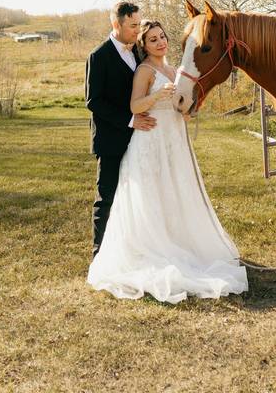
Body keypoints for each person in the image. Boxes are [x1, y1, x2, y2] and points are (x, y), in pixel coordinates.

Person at [86, 17, 248, 303]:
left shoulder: (175, 70)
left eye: (162, 37)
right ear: (144, 46)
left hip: (174, 140)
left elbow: (180, 106)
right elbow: (135, 105)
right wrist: (158, 95)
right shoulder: (144, 70)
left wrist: (188, 110)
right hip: (151, 139)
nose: (161, 42)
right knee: (153, 195)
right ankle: (155, 249)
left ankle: (179, 243)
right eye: (153, 39)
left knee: (176, 192)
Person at [85, 2, 156, 258]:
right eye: (133, 25)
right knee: (107, 197)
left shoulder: (137, 51)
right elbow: (94, 101)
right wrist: (129, 120)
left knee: (139, 194)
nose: (138, 31)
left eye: (139, 24)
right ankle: (100, 254)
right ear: (117, 24)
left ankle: (136, 246)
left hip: (140, 137)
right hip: (111, 138)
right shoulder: (98, 56)